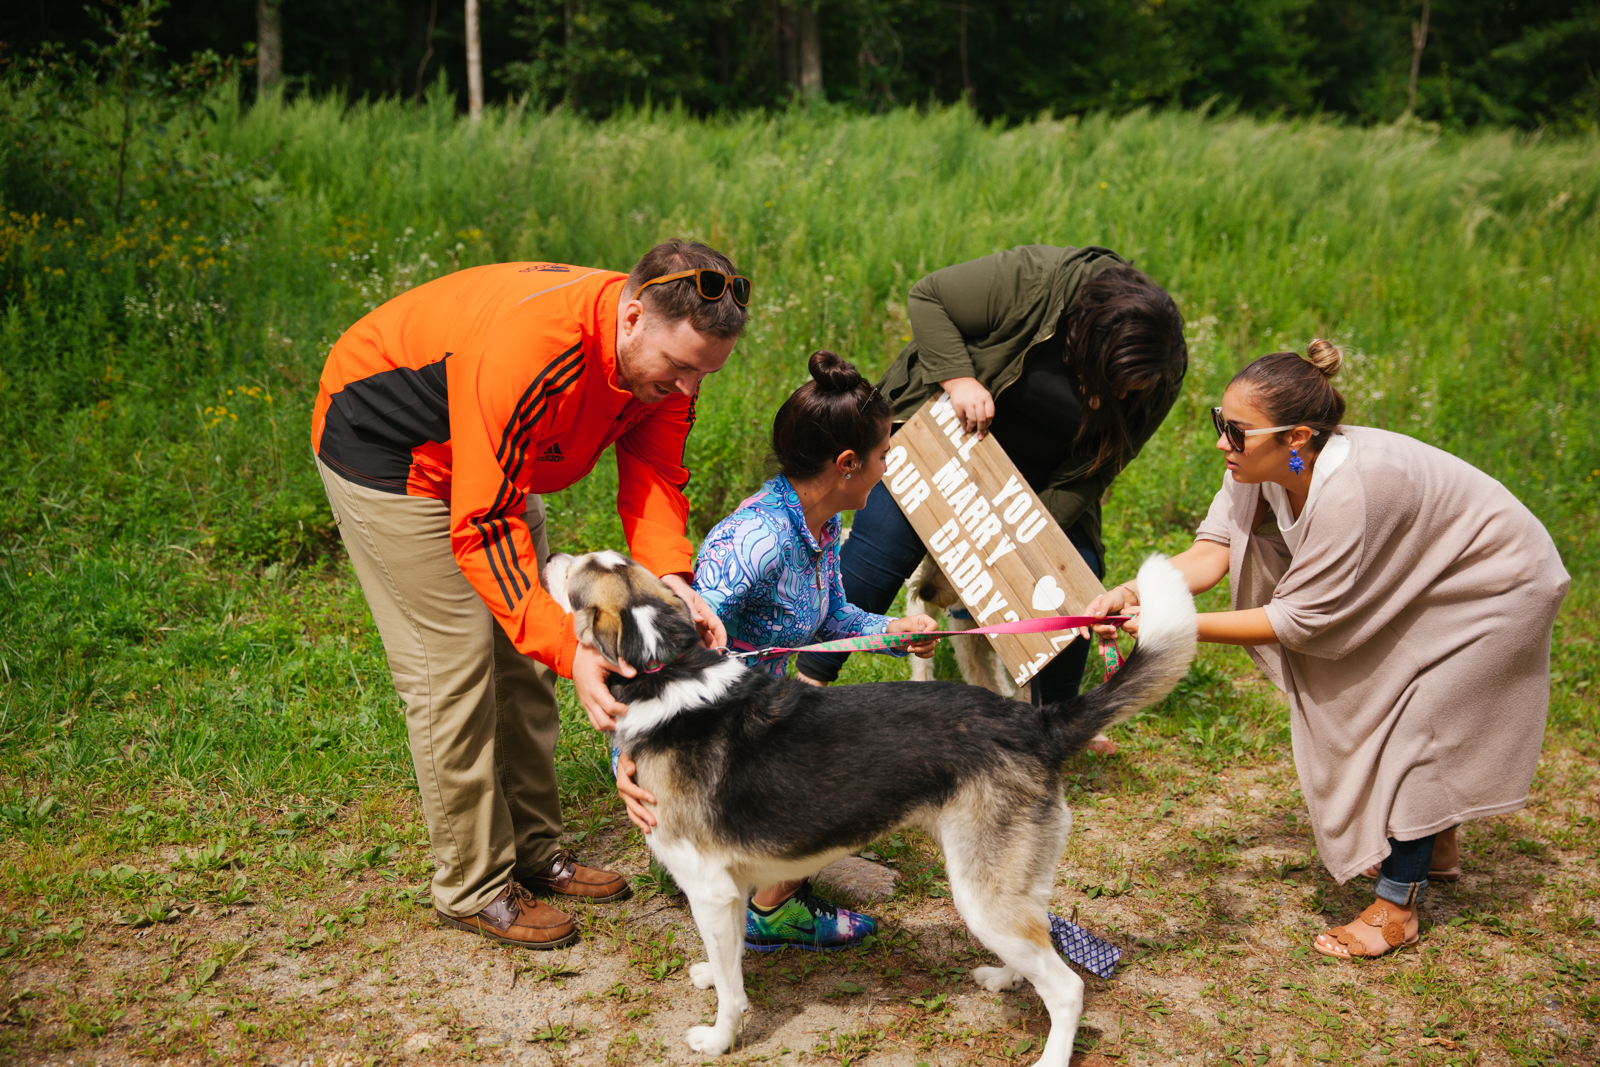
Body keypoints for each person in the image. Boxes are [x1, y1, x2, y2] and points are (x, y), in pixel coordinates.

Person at [312, 241, 743, 949]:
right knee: (453, 665)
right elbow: (480, 525)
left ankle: (538, 851)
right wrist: (573, 645)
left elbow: (657, 472)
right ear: (632, 317)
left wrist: (671, 576)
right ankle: (472, 884)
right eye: (680, 368)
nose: (689, 389)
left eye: (704, 373)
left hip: (494, 458)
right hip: (391, 447)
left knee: (526, 660)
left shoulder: (659, 364)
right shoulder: (536, 350)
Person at [1086, 340, 1569, 959]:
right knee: (1403, 706)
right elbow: (1214, 551)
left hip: (1499, 582)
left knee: (1412, 725)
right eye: (1219, 423)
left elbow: (1299, 620)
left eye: (1235, 432)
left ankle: (1397, 908)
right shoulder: (1257, 469)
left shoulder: (1353, 492)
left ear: (1298, 437)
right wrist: (1135, 590)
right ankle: (1434, 845)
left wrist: (1172, 623)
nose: (1221, 444)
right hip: (1433, 575)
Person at [795, 245, 1187, 740]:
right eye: (1114, 383)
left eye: (1133, 390)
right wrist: (959, 381)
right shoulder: (1040, 281)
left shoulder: (1162, 369)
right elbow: (929, 296)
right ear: (1084, 339)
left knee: (1075, 578)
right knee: (877, 559)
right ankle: (797, 694)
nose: (1122, 398)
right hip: (942, 435)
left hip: (1041, 480)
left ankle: (1058, 728)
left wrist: (1028, 534)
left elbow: (1095, 469)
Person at [617, 350, 939, 951]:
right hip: (699, 745)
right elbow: (670, 644)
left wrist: (893, 631)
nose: (886, 471)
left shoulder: (817, 530)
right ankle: (768, 910)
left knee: (857, 749)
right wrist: (634, 757)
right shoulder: (757, 540)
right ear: (847, 464)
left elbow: (829, 617)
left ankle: (771, 885)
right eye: (883, 457)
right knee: (853, 758)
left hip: (756, 720)